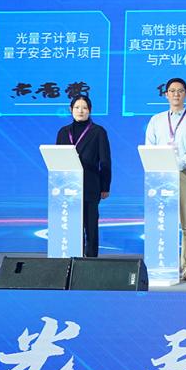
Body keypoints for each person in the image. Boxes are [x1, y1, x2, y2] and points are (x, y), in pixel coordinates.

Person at [145, 77, 186, 281]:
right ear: (166, 94)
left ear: (185, 94)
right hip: (160, 175)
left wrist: (176, 163)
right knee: (161, 220)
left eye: (180, 90)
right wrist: (162, 164)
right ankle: (162, 262)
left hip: (184, 172)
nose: (176, 94)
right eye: (172, 91)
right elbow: (150, 145)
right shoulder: (156, 120)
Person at [55, 94, 111, 258]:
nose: (80, 111)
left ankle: (91, 262)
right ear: (71, 109)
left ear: (90, 110)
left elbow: (105, 161)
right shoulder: (63, 132)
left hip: (90, 185)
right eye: (77, 107)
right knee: (72, 225)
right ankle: (72, 259)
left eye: (84, 108)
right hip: (67, 187)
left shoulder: (98, 132)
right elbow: (57, 159)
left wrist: (105, 186)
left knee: (90, 226)